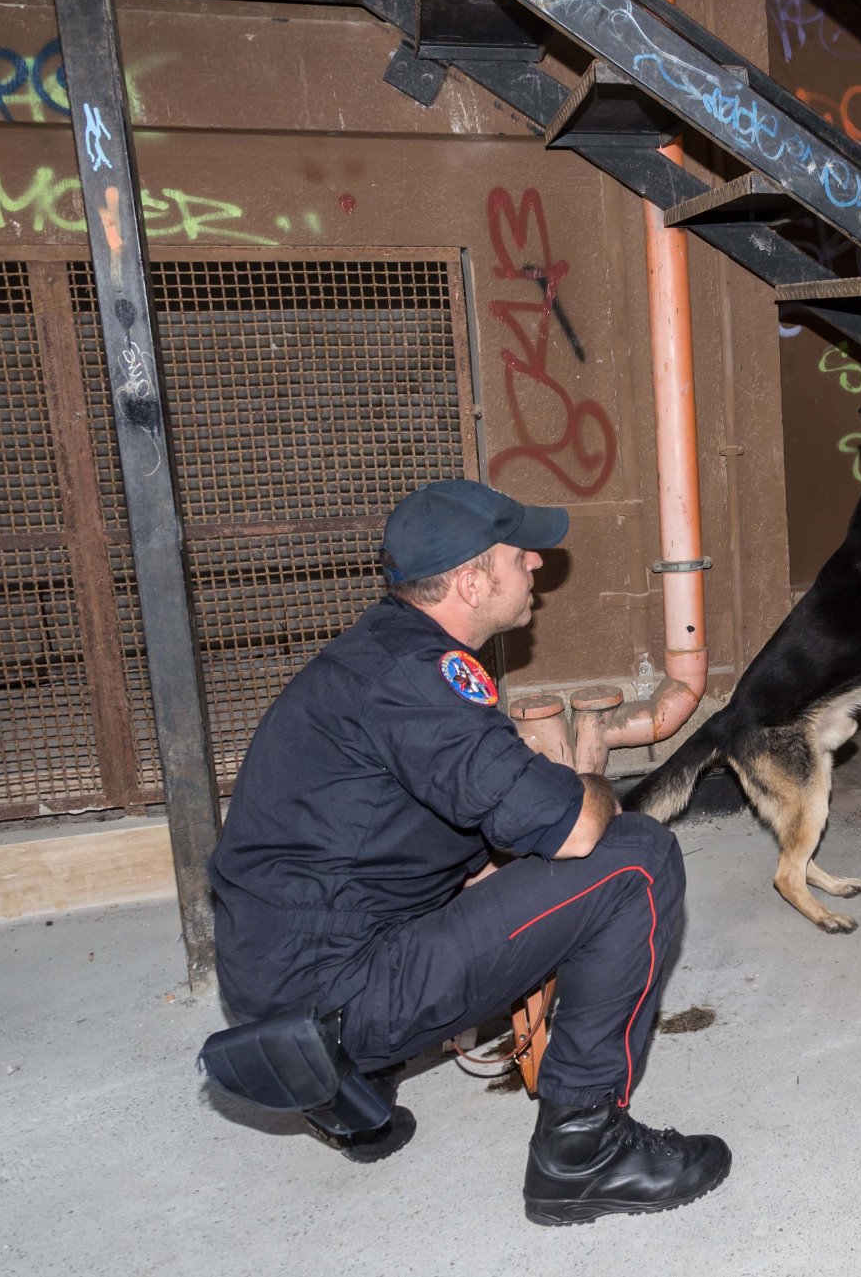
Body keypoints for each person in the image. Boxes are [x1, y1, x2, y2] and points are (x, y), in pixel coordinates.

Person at [207, 478, 729, 1225]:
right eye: (522, 556)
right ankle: (582, 1150)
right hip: (332, 997)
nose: (537, 568)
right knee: (636, 858)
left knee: (503, 858)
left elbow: (398, 826)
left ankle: (351, 1091)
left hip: (279, 982)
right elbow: (576, 826)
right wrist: (590, 786)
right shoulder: (421, 678)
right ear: (473, 580)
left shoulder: (384, 652)